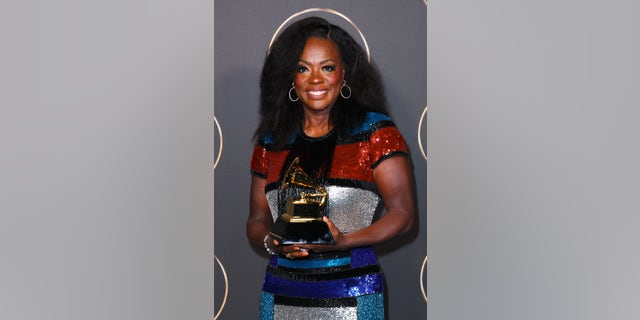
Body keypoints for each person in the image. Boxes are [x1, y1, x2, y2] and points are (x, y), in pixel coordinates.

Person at [246, 16, 416, 319]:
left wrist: (344, 241)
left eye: (327, 67)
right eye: (302, 68)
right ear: (290, 77)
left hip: (352, 294)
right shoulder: (271, 142)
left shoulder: (374, 133)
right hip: (281, 295)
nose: (315, 79)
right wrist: (272, 242)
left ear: (343, 73)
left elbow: (403, 215)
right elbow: (257, 220)